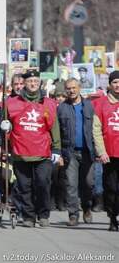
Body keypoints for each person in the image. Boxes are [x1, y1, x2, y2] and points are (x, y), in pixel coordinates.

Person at [5, 70, 62, 228]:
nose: (33, 84)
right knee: (24, 187)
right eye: (30, 81)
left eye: (36, 81)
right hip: (20, 152)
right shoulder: (11, 102)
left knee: (43, 183)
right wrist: (4, 134)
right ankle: (28, 216)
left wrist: (57, 149)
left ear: (40, 83)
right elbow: (4, 125)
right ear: (24, 83)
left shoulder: (48, 103)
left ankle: (43, 214)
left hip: (42, 153)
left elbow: (54, 127)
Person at [58, 78, 95, 226]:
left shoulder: (89, 106)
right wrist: (58, 153)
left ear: (79, 88)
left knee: (88, 183)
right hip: (70, 152)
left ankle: (86, 207)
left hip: (88, 152)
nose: (71, 91)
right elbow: (58, 133)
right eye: (68, 88)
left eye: (74, 88)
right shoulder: (61, 108)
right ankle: (73, 214)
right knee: (71, 185)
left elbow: (96, 129)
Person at [91, 70, 119, 231]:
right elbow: (96, 129)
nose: (118, 85)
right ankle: (112, 217)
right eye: (115, 82)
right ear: (110, 84)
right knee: (111, 187)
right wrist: (101, 151)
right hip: (109, 153)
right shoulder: (101, 104)